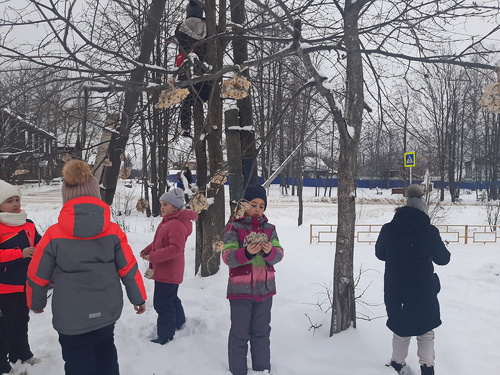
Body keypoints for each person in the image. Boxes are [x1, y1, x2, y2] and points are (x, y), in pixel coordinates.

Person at [26, 160, 147, 375]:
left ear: (66, 197)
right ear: (96, 197)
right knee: (105, 352)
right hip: (106, 310)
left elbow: (38, 273)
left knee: (77, 361)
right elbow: (129, 268)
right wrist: (138, 298)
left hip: (70, 314)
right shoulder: (113, 232)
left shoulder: (54, 235)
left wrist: (36, 301)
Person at [375, 184, 451, 375]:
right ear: (424, 209)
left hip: (396, 288)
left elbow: (380, 254)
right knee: (425, 331)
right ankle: (427, 368)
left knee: (401, 329)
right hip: (423, 289)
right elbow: (443, 259)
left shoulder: (388, 229)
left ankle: (397, 366)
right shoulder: (429, 231)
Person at [222, 185, 284, 375]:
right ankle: (238, 370)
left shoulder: (270, 229)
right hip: (240, 291)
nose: (258, 209)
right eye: (254, 204)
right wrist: (247, 252)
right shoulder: (234, 227)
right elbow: (228, 256)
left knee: (262, 331)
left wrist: (269, 251)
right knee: (240, 332)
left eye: (262, 206)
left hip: (265, 290)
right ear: (244, 205)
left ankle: (262, 368)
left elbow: (279, 254)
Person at [140, 187, 198, 345]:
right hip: (166, 271)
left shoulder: (176, 225)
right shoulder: (168, 223)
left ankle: (165, 335)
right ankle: (179, 322)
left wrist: (153, 256)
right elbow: (159, 241)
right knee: (171, 298)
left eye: (165, 204)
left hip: (169, 271)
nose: (162, 207)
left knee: (162, 303)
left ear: (175, 207)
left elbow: (175, 249)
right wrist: (148, 249)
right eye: (161, 204)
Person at [0, 180, 41, 375]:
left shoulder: (28, 224)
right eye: (9, 201)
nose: (15, 204)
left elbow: (41, 246)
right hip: (3, 288)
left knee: (21, 321)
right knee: (3, 327)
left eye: (17, 199)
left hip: (24, 284)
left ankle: (21, 353)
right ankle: (2, 364)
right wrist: (20, 253)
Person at [175, 0, 210, 138]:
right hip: (204, 69)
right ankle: (210, 126)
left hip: (186, 69)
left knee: (186, 99)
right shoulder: (209, 26)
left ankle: (186, 127)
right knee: (207, 95)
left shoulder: (180, 27)